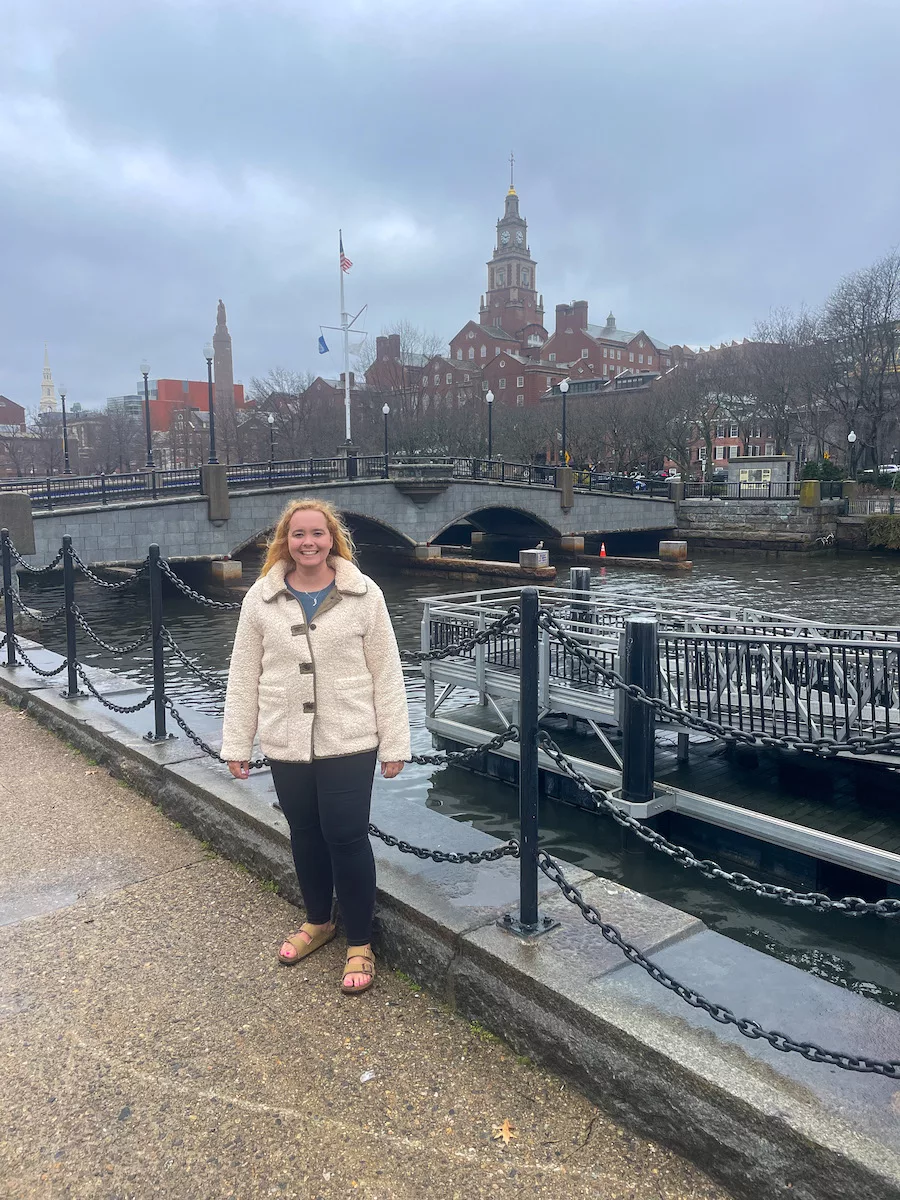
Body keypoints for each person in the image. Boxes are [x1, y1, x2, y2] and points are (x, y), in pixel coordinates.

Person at [220, 498, 410, 995]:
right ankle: (319, 921)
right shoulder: (260, 600)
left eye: (317, 534)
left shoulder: (364, 595)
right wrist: (237, 742)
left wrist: (394, 743)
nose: (308, 543)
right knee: (304, 831)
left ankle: (360, 942)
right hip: (287, 737)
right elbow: (244, 675)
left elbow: (387, 672)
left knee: (345, 834)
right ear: (285, 541)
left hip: (349, 735)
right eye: (298, 534)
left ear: (333, 539)